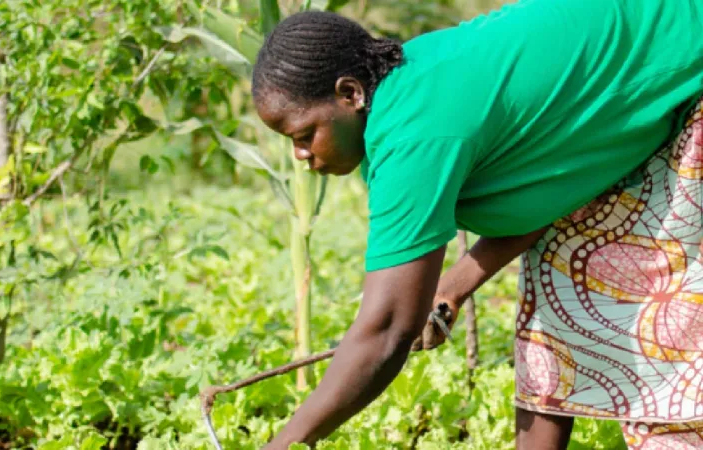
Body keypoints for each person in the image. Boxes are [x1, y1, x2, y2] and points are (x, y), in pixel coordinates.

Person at [250, 0, 703, 448]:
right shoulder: (405, 92)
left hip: (688, 61)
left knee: (668, 336)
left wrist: (287, 442)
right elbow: (542, 188)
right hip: (648, 74)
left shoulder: (414, 132)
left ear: (350, 94)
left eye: (304, 135)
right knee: (561, 289)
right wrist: (452, 287)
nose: (300, 155)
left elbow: (387, 329)